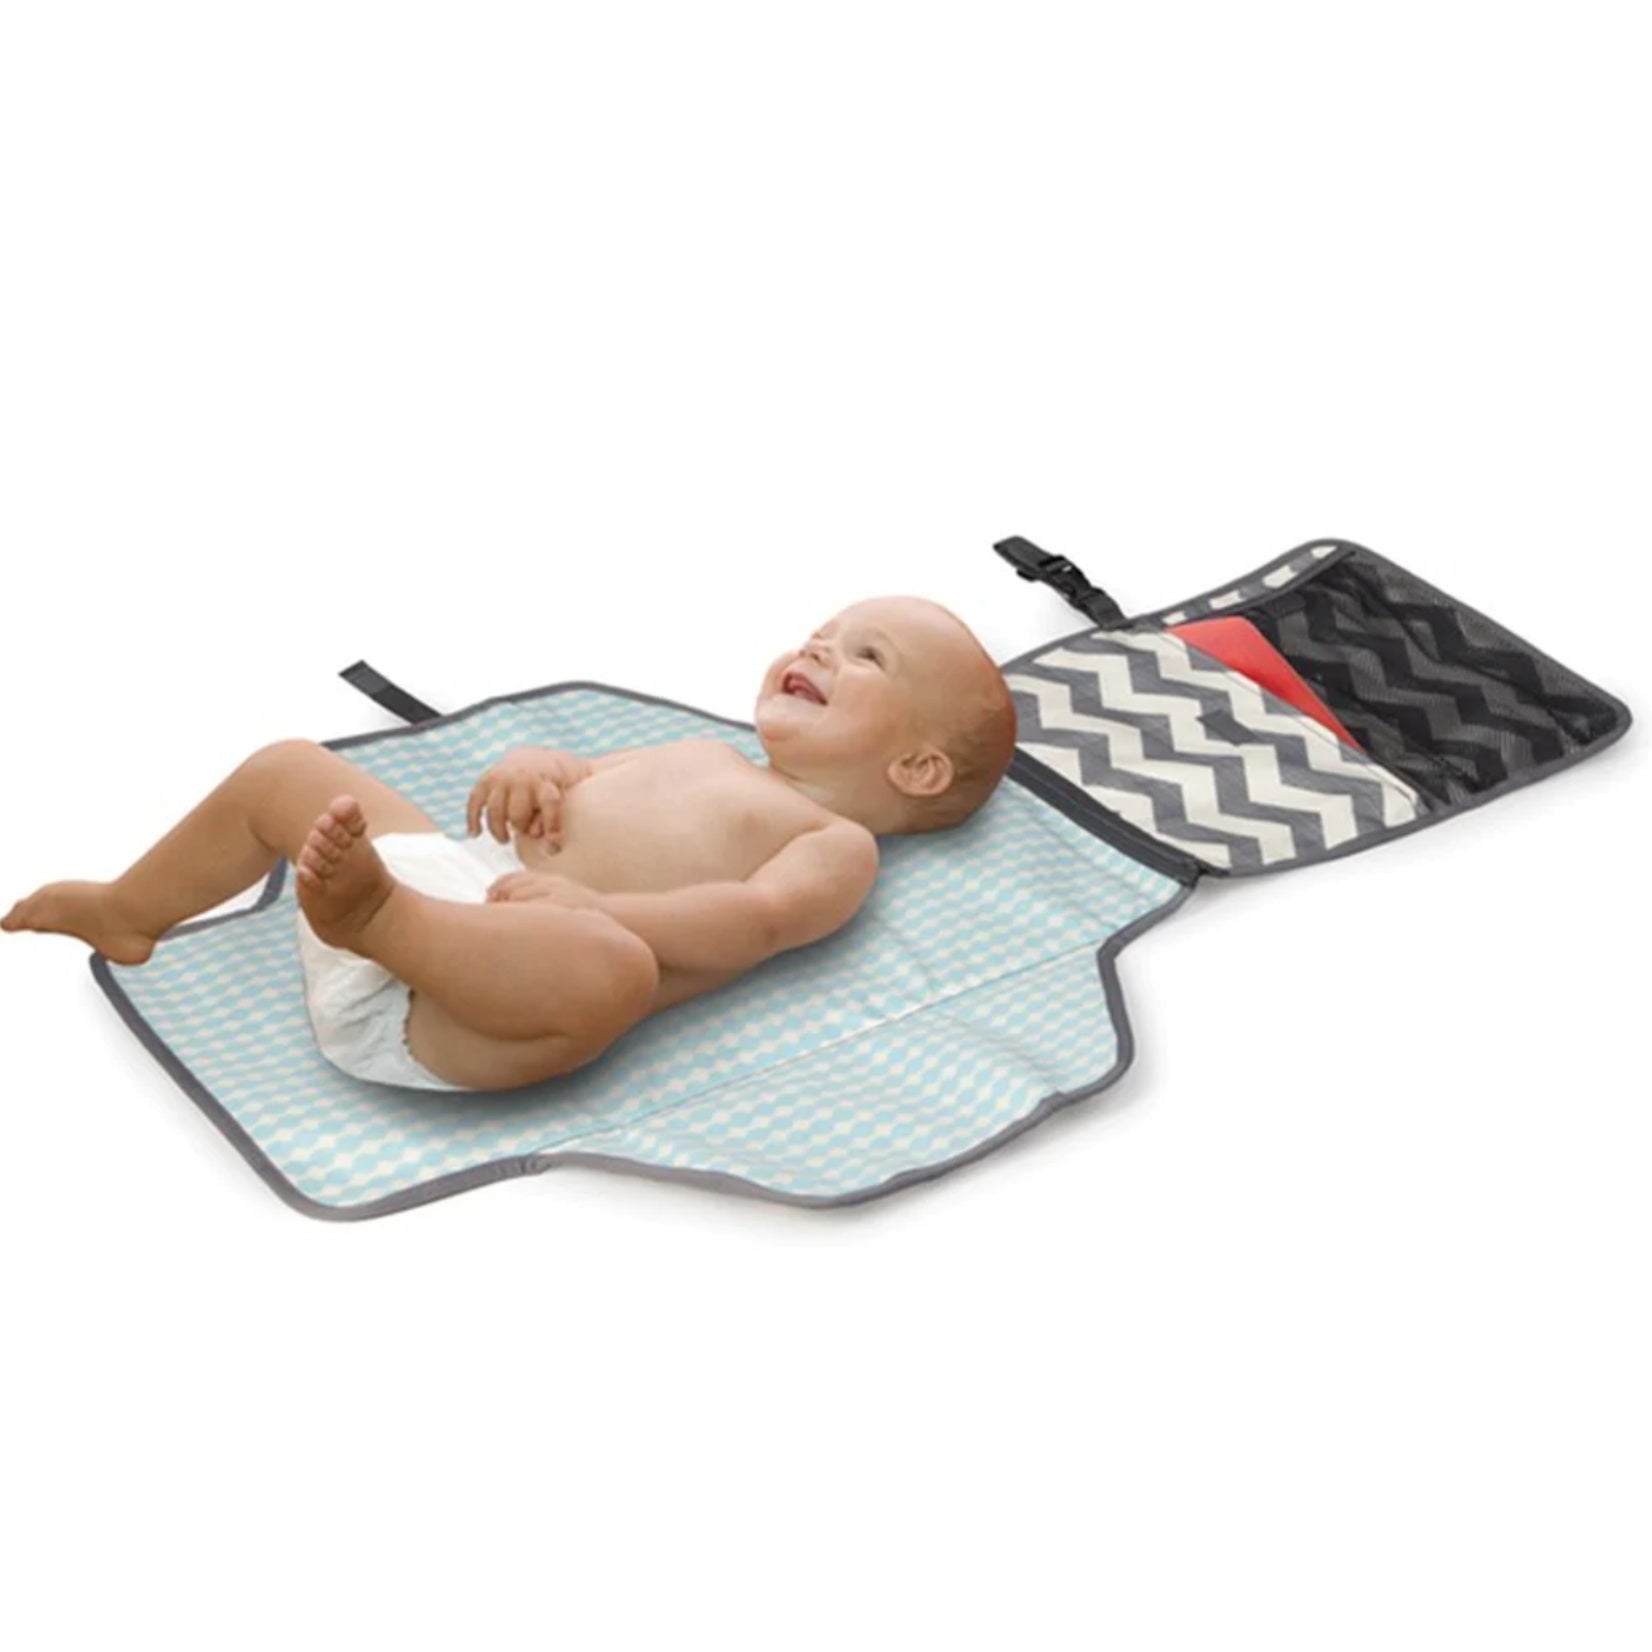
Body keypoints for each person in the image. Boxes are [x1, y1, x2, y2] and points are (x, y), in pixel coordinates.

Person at [3, 596, 1018, 1091]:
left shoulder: (834, 843)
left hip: (470, 1008)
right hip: (456, 885)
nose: (818, 646)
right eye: (822, 630)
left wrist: (605, 911)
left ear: (918, 769)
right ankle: (130, 909)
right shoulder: (701, 750)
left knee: (614, 970)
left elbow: (752, 920)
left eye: (865, 655)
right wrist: (538, 768)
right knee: (287, 767)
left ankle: (374, 916)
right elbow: (578, 775)